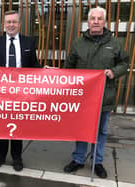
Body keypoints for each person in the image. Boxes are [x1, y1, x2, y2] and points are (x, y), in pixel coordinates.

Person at [63, 6, 129, 178]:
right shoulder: (78, 42)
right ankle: (78, 159)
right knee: (82, 129)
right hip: (82, 98)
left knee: (101, 131)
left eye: (100, 19)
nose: (96, 22)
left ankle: (97, 162)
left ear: (104, 22)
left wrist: (114, 72)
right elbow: (68, 68)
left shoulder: (114, 43)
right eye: (93, 19)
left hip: (103, 97)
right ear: (88, 21)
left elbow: (124, 64)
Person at [0, 10, 39, 172]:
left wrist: (46, 70)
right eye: (8, 22)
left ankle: (17, 157)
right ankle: (0, 156)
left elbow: (34, 66)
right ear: (3, 25)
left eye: (14, 22)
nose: (11, 25)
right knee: (1, 125)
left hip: (21, 93)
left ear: (19, 24)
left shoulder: (29, 42)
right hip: (1, 93)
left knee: (18, 125)